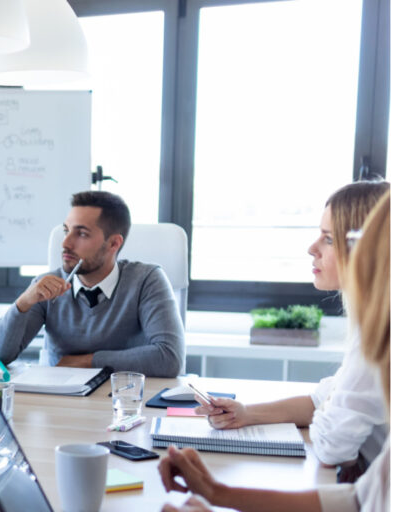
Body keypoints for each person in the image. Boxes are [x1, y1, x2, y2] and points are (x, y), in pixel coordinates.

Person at [159, 191, 390, 512]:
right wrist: (246, 414)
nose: (312, 248)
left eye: (328, 239)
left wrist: (332, 411)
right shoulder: (371, 327)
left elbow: (331, 446)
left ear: (370, 250)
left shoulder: (379, 341)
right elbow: (325, 403)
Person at [0, 190, 184, 377]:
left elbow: (169, 358)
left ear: (114, 243)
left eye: (81, 234)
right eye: (66, 231)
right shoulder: (46, 287)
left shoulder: (147, 280)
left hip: (123, 401)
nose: (65, 243)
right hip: (60, 403)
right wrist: (23, 303)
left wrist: (86, 362)